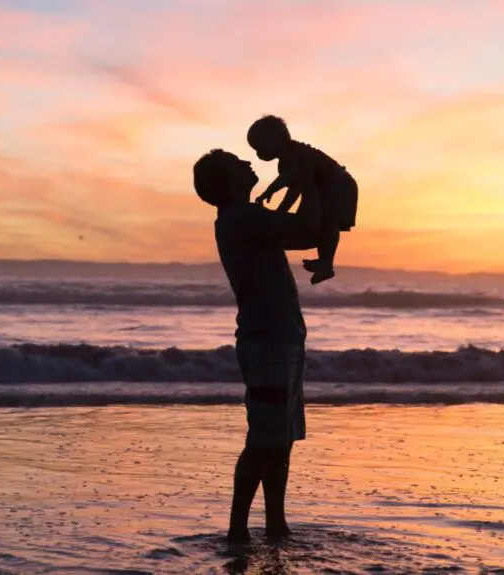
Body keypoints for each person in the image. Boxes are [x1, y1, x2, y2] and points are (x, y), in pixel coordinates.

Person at [192, 148, 317, 544]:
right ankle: (238, 530)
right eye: (237, 164)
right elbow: (307, 230)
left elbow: (293, 228)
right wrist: (313, 182)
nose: (248, 165)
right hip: (269, 343)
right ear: (227, 183)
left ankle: (274, 525)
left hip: (276, 339)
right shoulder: (243, 217)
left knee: (278, 439)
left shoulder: (241, 219)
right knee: (265, 440)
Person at [247, 115, 358, 285]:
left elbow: (296, 187)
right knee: (324, 223)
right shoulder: (287, 160)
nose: (258, 154)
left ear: (277, 140)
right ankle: (325, 263)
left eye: (259, 147)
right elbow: (289, 181)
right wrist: (270, 192)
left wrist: (280, 211)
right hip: (327, 187)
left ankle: (326, 263)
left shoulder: (299, 154)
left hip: (339, 185)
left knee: (329, 222)